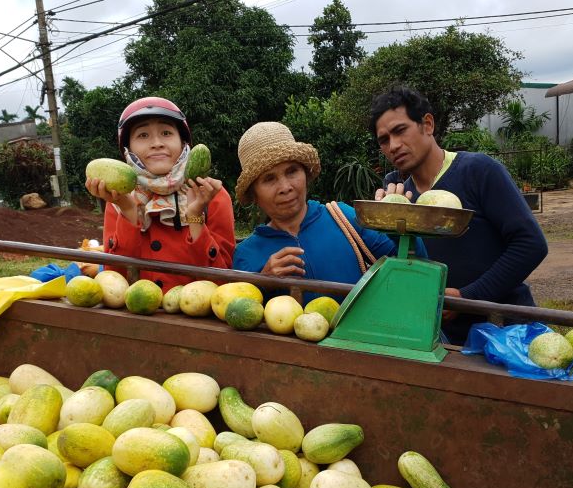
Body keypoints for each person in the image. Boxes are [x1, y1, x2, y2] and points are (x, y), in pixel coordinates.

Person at [370, 86, 548, 345]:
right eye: (384, 140)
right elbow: (413, 265)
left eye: (400, 130)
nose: (393, 146)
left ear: (427, 124)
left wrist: (468, 297)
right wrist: (390, 223)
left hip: (505, 330)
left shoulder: (478, 171)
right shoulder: (401, 196)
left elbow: (531, 244)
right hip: (441, 337)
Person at [232, 121, 425, 302]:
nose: (285, 187)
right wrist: (264, 282)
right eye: (269, 179)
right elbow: (242, 317)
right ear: (254, 195)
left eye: (292, 171)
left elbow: (416, 268)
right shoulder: (246, 255)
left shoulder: (344, 218)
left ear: (306, 175)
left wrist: (402, 225)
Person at [85, 97, 235, 291]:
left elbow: (222, 283)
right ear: (128, 149)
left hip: (194, 318)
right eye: (143, 135)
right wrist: (128, 210)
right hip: (139, 317)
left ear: (183, 143)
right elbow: (114, 282)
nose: (156, 143)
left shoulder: (211, 194)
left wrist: (196, 217)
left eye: (166, 133)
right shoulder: (119, 197)